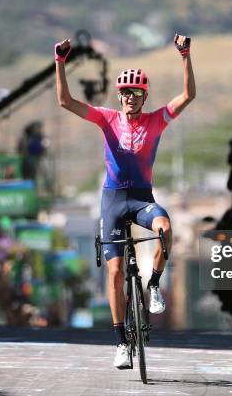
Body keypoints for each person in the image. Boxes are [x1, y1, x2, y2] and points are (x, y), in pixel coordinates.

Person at [54, 34, 195, 368]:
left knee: (165, 228)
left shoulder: (156, 120)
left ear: (144, 96)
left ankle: (155, 285)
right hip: (113, 201)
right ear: (118, 96)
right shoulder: (106, 118)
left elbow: (189, 95)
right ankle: (119, 342)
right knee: (116, 272)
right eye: (124, 93)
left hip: (142, 199)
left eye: (135, 93)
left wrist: (185, 54)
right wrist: (60, 62)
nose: (129, 98)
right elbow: (65, 101)